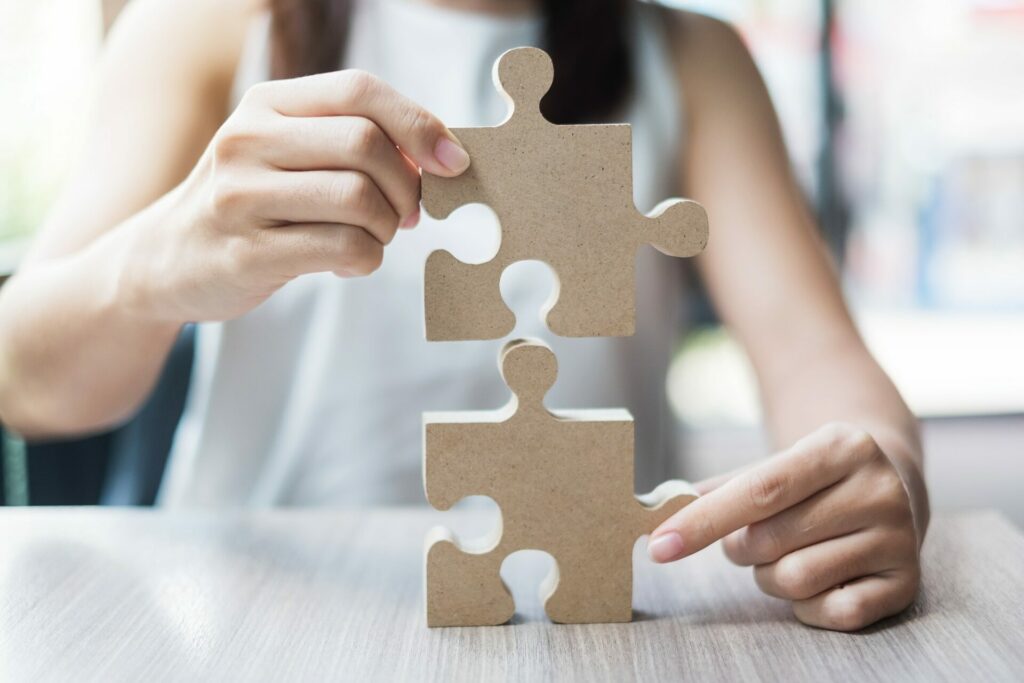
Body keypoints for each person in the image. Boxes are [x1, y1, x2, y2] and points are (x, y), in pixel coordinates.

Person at [0, 0, 928, 631]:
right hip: (242, 612)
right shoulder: (206, 24)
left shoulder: (690, 57)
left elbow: (813, 355)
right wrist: (163, 255)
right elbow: (24, 384)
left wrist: (875, 470)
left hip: (589, 623)